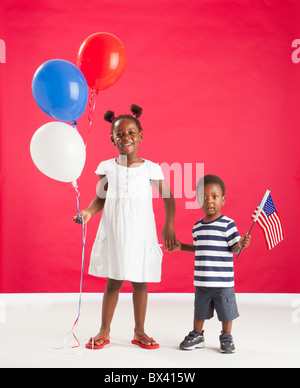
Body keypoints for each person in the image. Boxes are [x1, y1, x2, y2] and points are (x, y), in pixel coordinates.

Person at [73, 104, 176, 350]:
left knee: (140, 281)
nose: (126, 137)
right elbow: (100, 197)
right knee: (114, 280)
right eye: (120, 134)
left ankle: (139, 330)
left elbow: (169, 198)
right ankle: (104, 329)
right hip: (117, 231)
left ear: (140, 136)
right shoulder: (107, 167)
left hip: (141, 232)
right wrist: (88, 212)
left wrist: (168, 226)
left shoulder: (151, 168)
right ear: (112, 139)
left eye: (131, 133)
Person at [172, 174, 250, 353]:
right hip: (202, 280)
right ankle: (198, 334)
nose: (209, 201)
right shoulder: (197, 226)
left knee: (226, 311)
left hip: (222, 281)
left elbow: (233, 248)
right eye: (204, 197)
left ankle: (226, 335)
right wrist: (180, 246)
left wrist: (240, 244)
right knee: (199, 310)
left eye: (214, 197)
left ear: (223, 199)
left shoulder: (228, 224)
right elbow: (200, 247)